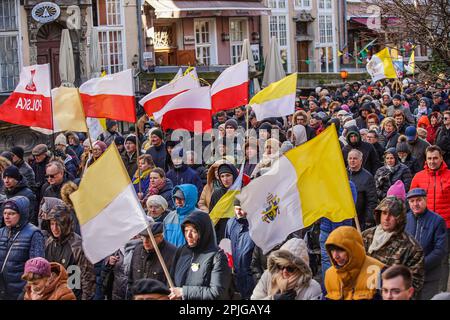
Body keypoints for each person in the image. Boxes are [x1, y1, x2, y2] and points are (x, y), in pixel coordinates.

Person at [362, 196, 425, 294]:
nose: (386, 218)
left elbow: (415, 284)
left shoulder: (412, 248)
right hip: (363, 293)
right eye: (384, 213)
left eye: (392, 215)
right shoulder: (366, 236)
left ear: (400, 218)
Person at [410, 145, 450, 292]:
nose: (432, 161)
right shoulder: (418, 177)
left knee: (443, 258)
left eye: (435, 158)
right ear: (426, 159)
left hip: (446, 224)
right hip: (423, 224)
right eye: (429, 158)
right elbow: (411, 201)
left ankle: (441, 292)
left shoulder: (449, 176)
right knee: (422, 256)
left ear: (441, 158)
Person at [169, 210, 231, 300]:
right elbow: (171, 280)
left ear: (204, 232)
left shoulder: (217, 256)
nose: (188, 235)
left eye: (193, 231)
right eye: (186, 230)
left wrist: (183, 292)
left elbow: (217, 292)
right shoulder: (181, 251)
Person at [43, 204, 96, 300]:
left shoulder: (78, 246)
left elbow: (88, 279)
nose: (54, 228)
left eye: (58, 224)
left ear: (66, 224)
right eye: (52, 223)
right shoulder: (49, 242)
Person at [405, 188, 448, 300]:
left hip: (429, 276)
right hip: (409, 276)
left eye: (418, 200)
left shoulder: (437, 221)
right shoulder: (405, 219)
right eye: (412, 201)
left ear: (425, 200)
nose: (415, 204)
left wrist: (420, 265)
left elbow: (440, 250)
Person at [0, 196, 45, 300]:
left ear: (22, 215)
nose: (6, 217)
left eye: (11, 213)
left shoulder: (34, 233)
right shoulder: (1, 232)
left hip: (20, 293)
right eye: (5, 213)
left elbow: (36, 270)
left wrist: (27, 293)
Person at [324, 226, 385, 300]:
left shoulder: (377, 271)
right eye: (332, 251)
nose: (335, 256)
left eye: (340, 250)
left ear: (353, 249)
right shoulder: (329, 274)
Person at [251, 238, 322, 300]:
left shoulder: (313, 288)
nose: (284, 271)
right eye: (280, 266)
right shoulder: (268, 276)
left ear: (300, 269)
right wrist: (274, 299)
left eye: (290, 268)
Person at [129, 222, 177, 290]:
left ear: (160, 237)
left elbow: (173, 285)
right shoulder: (138, 250)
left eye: (150, 237)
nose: (145, 241)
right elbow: (130, 280)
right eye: (143, 237)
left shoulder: (173, 254)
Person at [225, 199, 255, 299]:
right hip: (235, 275)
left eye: (241, 209)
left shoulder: (255, 226)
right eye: (236, 209)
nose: (238, 212)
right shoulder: (230, 223)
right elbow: (226, 247)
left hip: (250, 276)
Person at [347, 149, 378, 230]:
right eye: (350, 158)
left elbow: (372, 201)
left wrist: (368, 220)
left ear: (361, 161)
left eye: (355, 158)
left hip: (360, 220)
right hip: (344, 219)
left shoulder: (368, 177)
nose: (352, 161)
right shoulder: (343, 174)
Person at [209, 162, 239, 242]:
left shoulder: (242, 192)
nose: (225, 179)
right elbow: (212, 216)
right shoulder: (216, 194)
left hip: (237, 235)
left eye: (228, 175)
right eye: (222, 176)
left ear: (234, 175)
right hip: (220, 236)